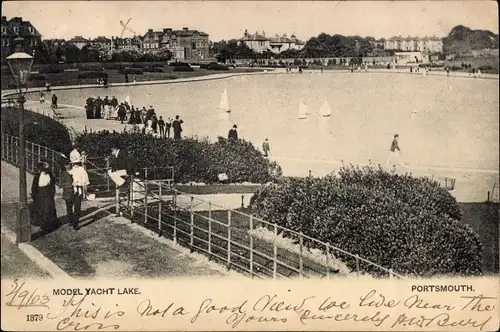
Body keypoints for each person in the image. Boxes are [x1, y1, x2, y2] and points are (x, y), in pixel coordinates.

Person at [31, 162, 60, 232]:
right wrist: (34, 194)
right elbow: (34, 186)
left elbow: (52, 186)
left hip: (47, 194)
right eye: (42, 169)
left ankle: (48, 226)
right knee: (40, 209)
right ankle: (41, 224)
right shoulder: (37, 176)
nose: (43, 171)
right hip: (39, 193)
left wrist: (51, 195)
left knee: (48, 209)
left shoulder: (50, 175)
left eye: (45, 169)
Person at [69, 156, 90, 230]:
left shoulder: (82, 170)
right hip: (72, 189)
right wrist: (72, 183)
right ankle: (71, 220)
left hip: (79, 189)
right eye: (74, 163)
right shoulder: (71, 170)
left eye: (77, 163)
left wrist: (79, 184)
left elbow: (85, 179)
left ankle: (75, 223)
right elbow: (68, 178)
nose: (75, 165)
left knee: (77, 207)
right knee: (70, 205)